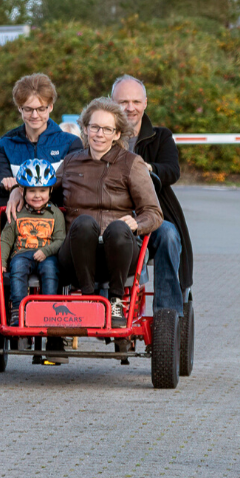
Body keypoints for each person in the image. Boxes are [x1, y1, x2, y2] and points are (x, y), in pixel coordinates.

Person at [55, 97, 163, 329]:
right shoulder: (70, 162)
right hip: (77, 254)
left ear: (116, 134)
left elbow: (154, 213)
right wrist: (16, 192)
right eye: (95, 127)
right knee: (84, 222)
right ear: (85, 129)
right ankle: (88, 298)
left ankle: (115, 301)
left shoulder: (132, 164)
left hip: (119, 252)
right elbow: (42, 191)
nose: (99, 134)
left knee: (118, 228)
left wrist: (136, 223)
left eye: (107, 129)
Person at [0, 73, 82, 304]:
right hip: (18, 217)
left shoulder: (69, 143)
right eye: (28, 109)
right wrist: (12, 189)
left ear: (51, 107)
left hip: (55, 214)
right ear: (20, 109)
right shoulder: (7, 143)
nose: (35, 115)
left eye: (41, 109)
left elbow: (75, 185)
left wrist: (24, 188)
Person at [110, 75, 193, 316]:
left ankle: (167, 316)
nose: (130, 107)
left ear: (145, 103)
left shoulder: (161, 136)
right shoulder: (101, 135)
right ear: (111, 102)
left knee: (168, 234)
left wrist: (148, 168)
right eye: (123, 101)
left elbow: (172, 170)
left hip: (151, 215)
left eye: (136, 101)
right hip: (112, 213)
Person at [0, 159, 65, 326]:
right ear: (22, 190)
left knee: (50, 269)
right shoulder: (17, 212)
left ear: (50, 190)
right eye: (32, 191)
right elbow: (6, 239)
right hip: (21, 253)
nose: (37, 195)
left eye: (42, 190)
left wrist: (46, 251)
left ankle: (49, 310)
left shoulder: (55, 213)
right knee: (18, 268)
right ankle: (18, 310)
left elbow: (60, 240)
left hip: (47, 254)